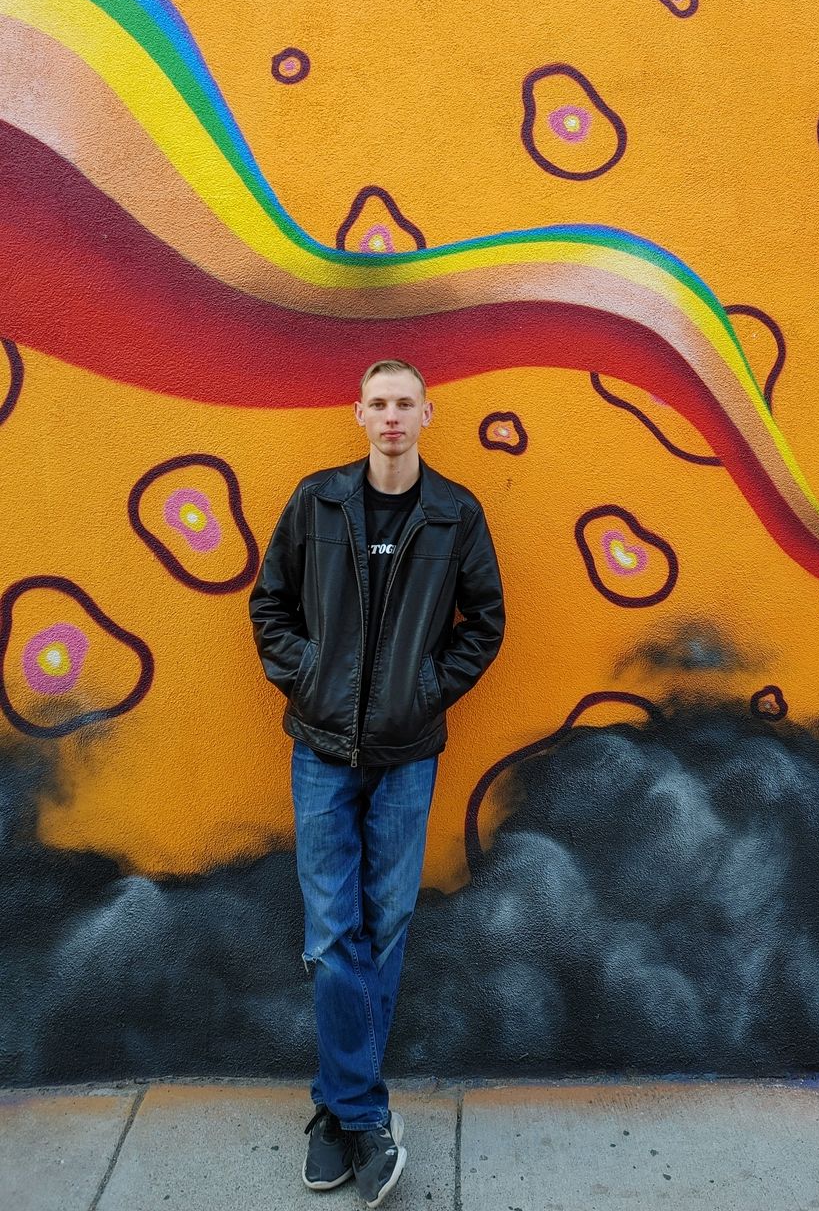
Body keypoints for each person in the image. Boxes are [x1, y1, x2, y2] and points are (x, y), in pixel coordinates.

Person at [248, 358, 504, 1207]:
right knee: (332, 935)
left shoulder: (456, 513)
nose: (392, 416)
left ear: (427, 415)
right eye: (379, 404)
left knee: (385, 927)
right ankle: (362, 1115)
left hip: (408, 752)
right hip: (322, 749)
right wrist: (309, 678)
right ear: (358, 414)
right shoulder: (316, 501)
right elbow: (270, 606)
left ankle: (335, 1111)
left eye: (405, 404)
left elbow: (485, 624)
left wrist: (426, 690)